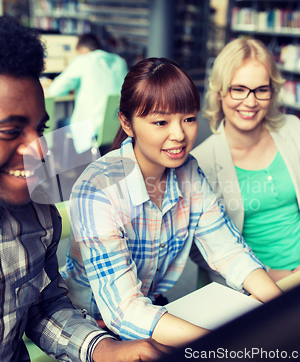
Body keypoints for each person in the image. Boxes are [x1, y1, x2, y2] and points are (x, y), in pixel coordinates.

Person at [0, 10, 170, 361]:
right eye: (10, 131)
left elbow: (42, 305)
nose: (42, 151)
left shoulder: (38, 209)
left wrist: (103, 349)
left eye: (40, 129)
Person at [61, 57, 282, 348]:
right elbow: (123, 310)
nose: (179, 134)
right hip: (92, 325)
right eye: (161, 122)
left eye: (188, 119)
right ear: (127, 123)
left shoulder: (188, 170)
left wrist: (285, 307)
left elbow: (229, 251)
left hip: (150, 309)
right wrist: (221, 343)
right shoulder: (99, 188)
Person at [191, 38, 300, 283]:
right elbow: (198, 248)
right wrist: (265, 275)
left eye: (261, 90)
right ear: (220, 92)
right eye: (238, 89)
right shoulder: (200, 162)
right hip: (253, 282)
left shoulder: (293, 129)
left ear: (272, 91)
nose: (250, 101)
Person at [47, 33, 128, 153]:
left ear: (83, 50)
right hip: (117, 125)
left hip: (92, 128)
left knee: (61, 123)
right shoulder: (119, 61)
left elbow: (55, 90)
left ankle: (67, 167)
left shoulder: (84, 60)